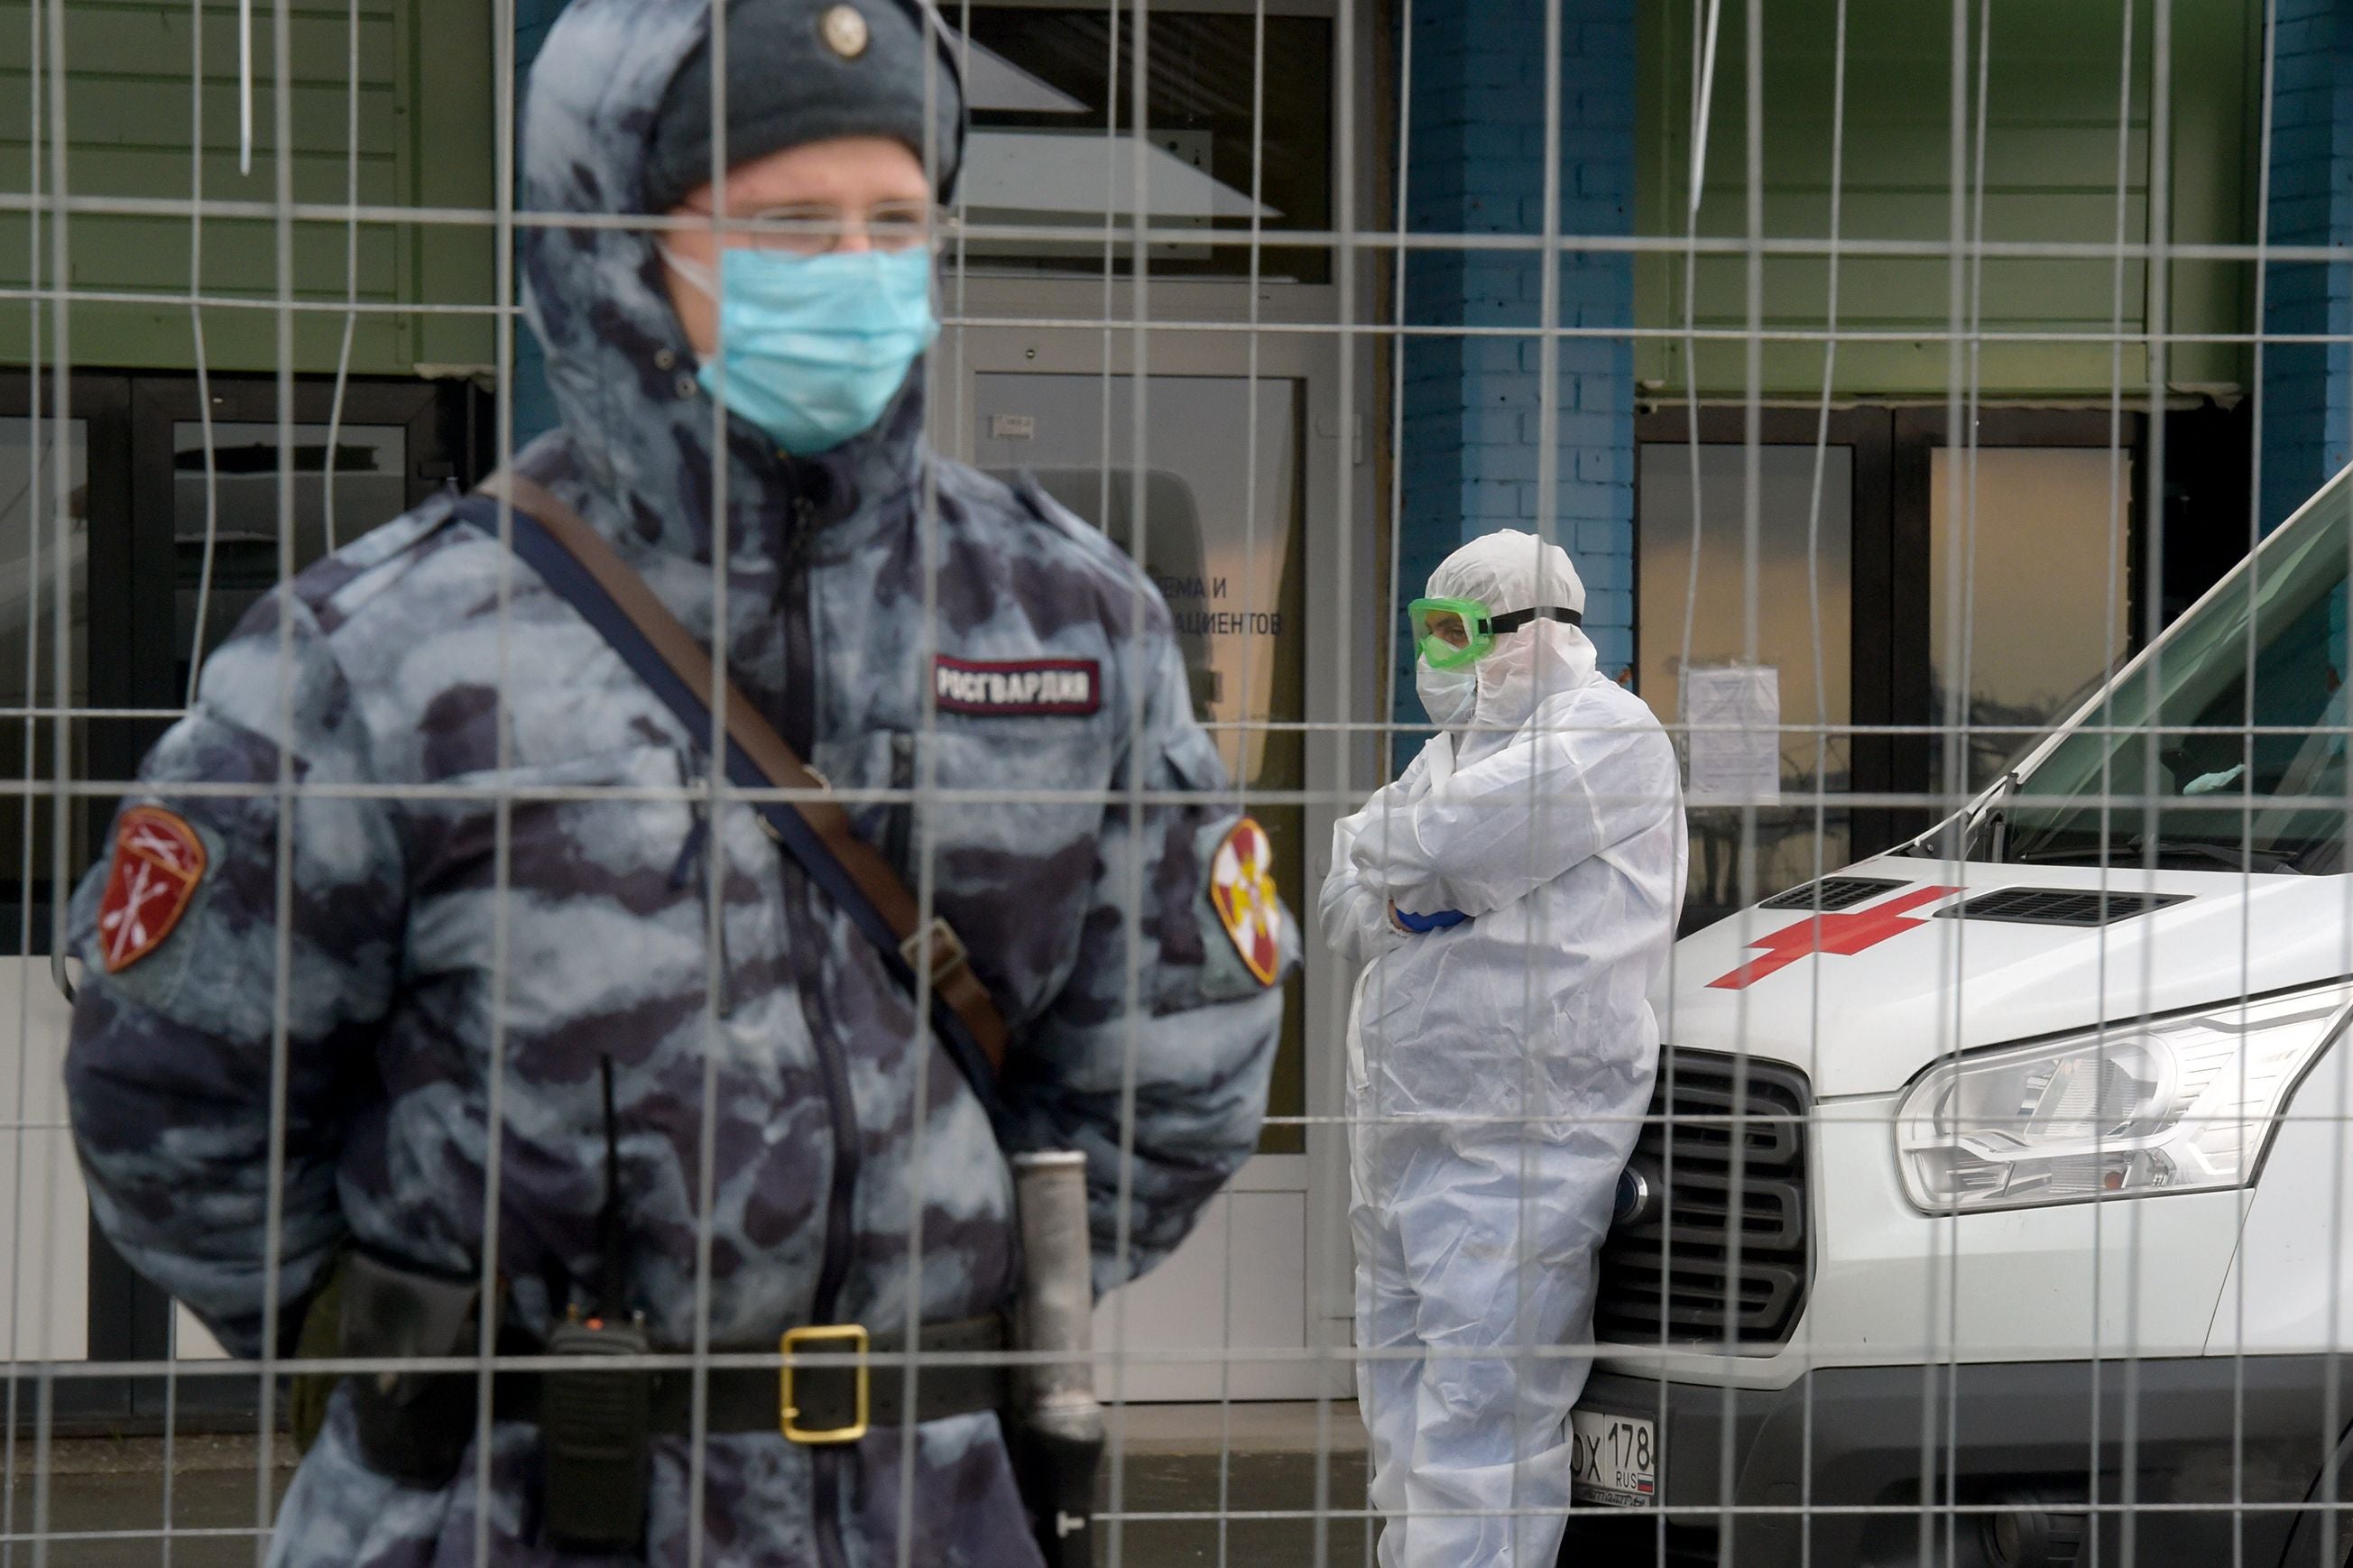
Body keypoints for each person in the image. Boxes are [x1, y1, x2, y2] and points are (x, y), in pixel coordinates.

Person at [60, 2, 1289, 1563]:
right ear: (610, 250)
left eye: (892, 223)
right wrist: (423, 1354)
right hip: (506, 1505)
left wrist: (928, 1298)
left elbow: (1176, 1056)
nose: (850, 271)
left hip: (937, 1503)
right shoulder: (376, 654)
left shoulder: (1066, 617)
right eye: (785, 227)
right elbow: (173, 1087)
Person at [1319, 529, 1684, 1568]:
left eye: (1455, 632)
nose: (1435, 657)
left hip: (1523, 1135)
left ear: (1532, 632)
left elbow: (1418, 847)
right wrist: (1415, 886)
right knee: (1399, 1418)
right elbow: (1347, 891)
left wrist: (1410, 867)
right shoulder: (1452, 756)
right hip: (1400, 1133)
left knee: (1483, 1420)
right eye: (1426, 631)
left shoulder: (1612, 735)